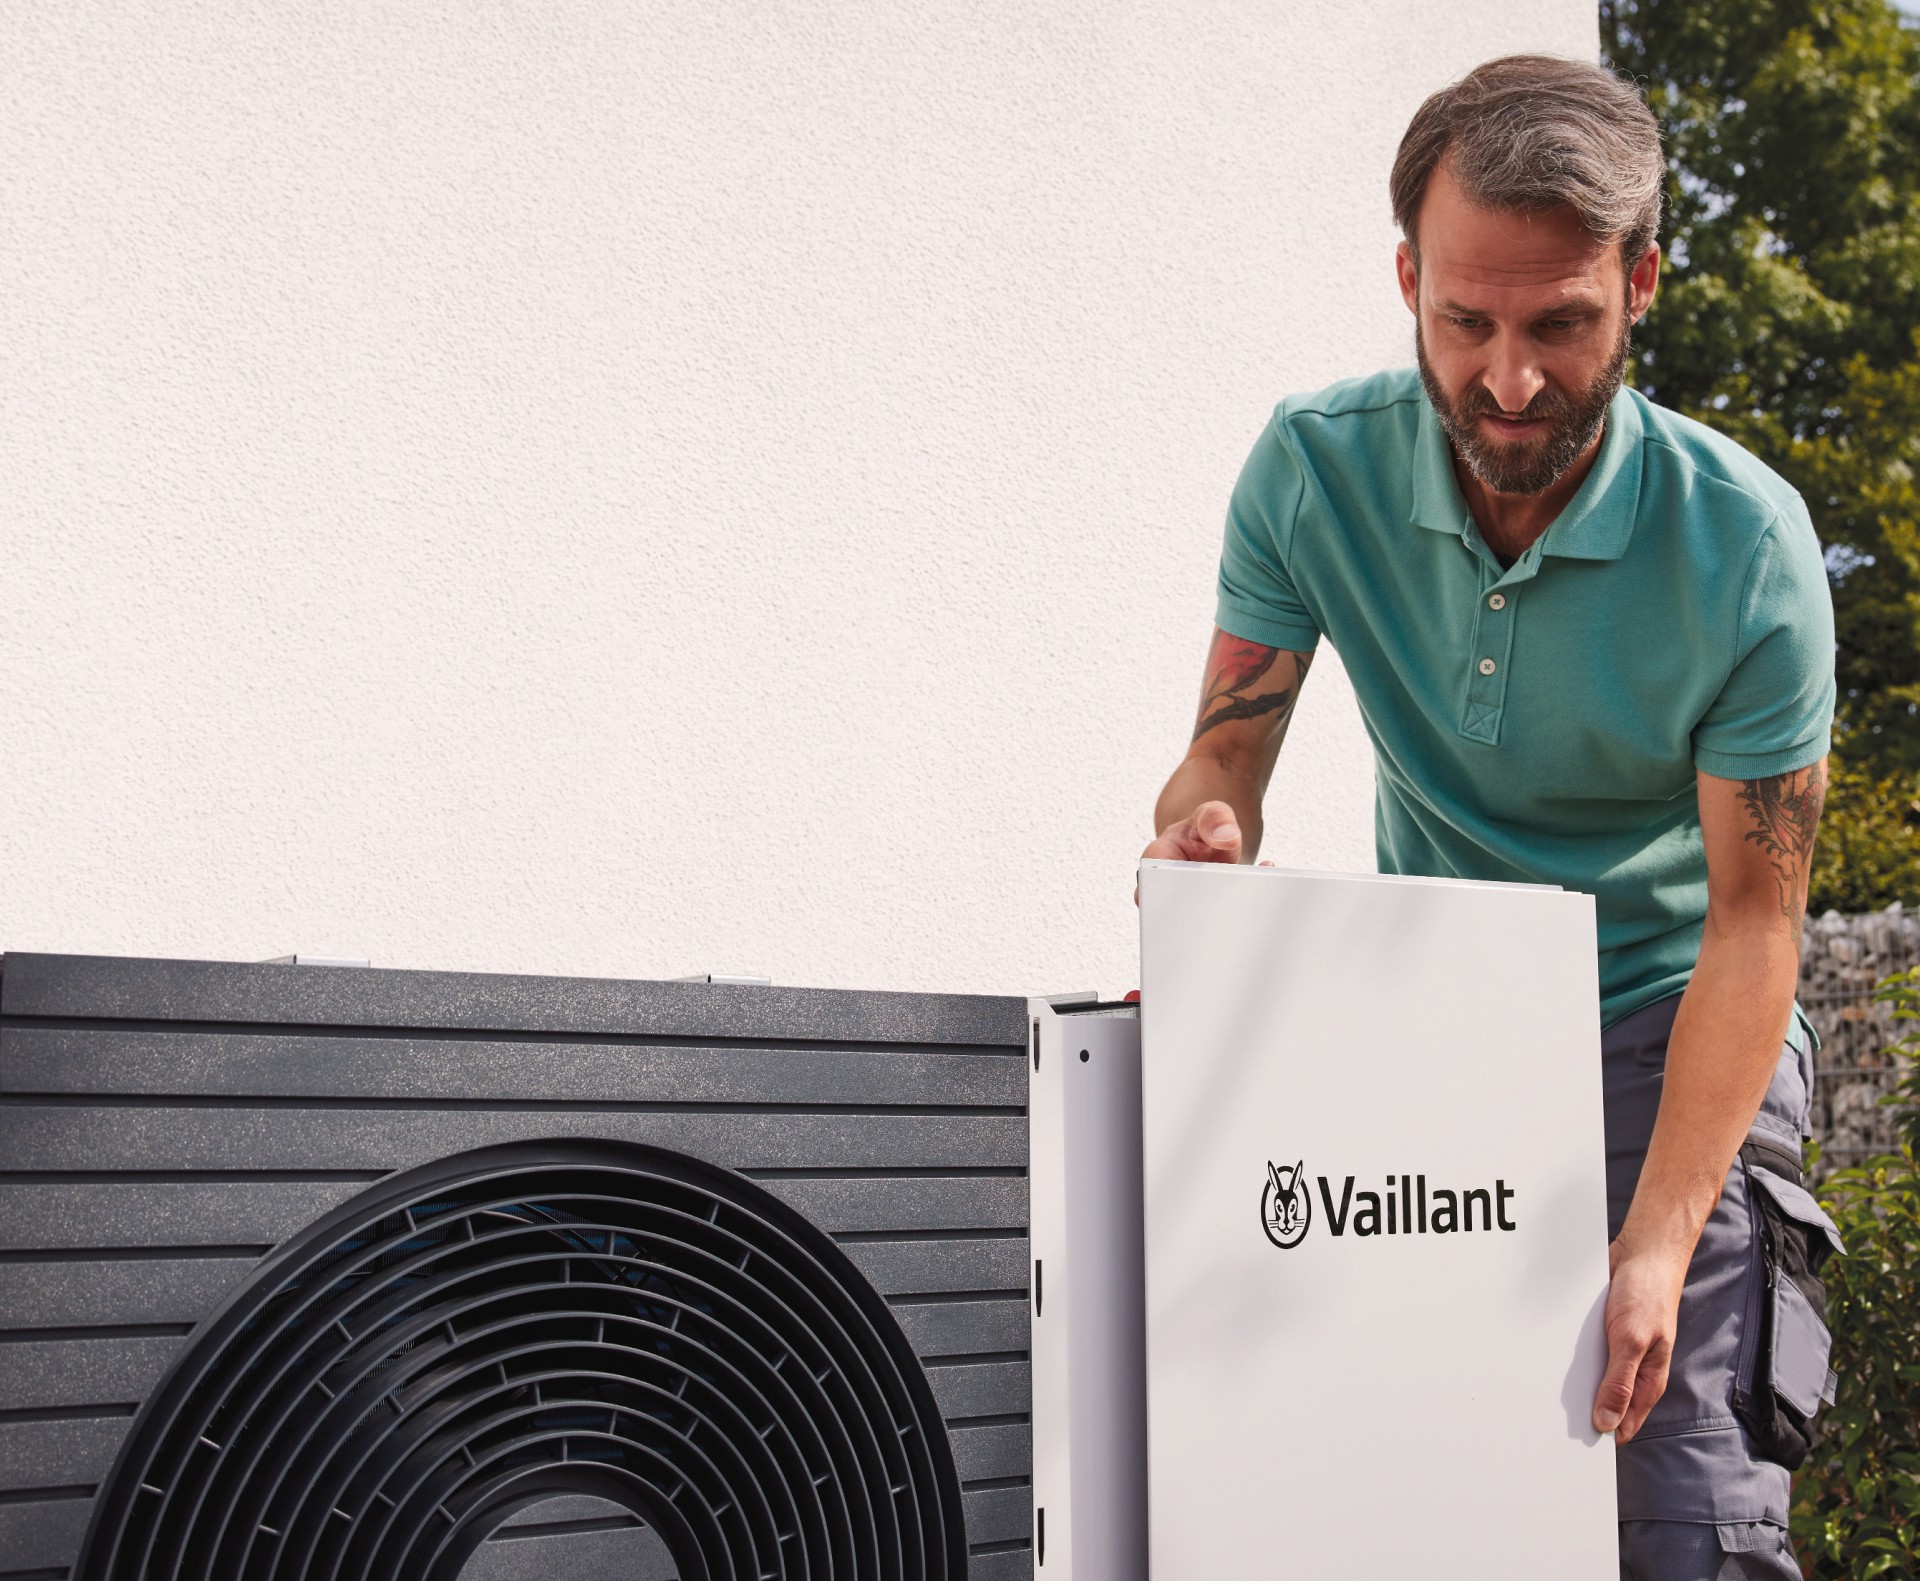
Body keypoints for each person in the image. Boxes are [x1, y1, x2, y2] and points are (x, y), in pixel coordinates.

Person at [1142, 55, 1839, 1580]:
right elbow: (1219, 770)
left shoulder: (1747, 550)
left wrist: (1655, 1239)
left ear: (1642, 281)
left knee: (1680, 1507)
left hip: (1675, 1016)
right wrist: (1203, 846)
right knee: (1422, 1498)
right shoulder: (1309, 473)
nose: (1509, 381)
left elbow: (1752, 920)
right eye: (1465, 321)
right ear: (1407, 275)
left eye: (1560, 325)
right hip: (1435, 1027)